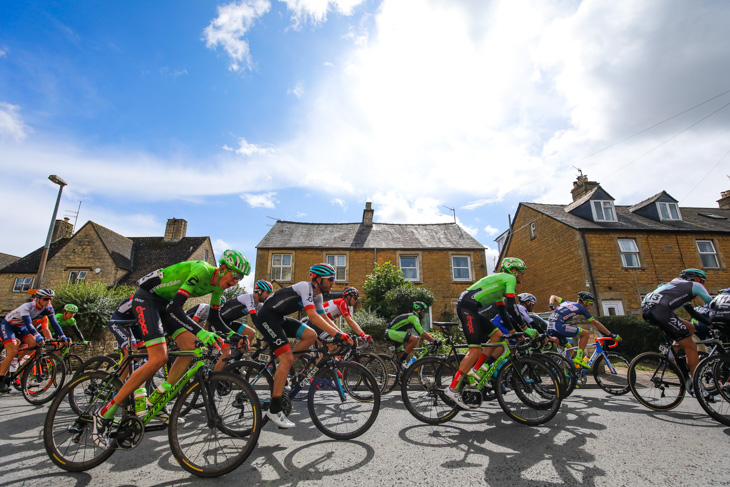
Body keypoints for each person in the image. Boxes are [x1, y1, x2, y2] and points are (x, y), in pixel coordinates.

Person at [93, 250, 249, 445]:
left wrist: (235, 336)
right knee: (159, 358)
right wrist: (201, 332)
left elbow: (215, 318)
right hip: (147, 299)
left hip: (166, 304)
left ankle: (156, 400)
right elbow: (177, 308)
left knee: (190, 347)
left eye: (240, 278)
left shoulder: (218, 287)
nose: (236, 281)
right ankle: (105, 412)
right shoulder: (201, 270)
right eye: (235, 275)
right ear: (222, 268)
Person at [254, 263, 354, 428]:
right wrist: (337, 335)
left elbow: (325, 318)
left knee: (311, 335)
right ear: (318, 279)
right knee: (286, 358)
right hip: (266, 317)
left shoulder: (318, 296)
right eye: (331, 279)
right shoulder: (304, 287)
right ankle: (274, 409)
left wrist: (342, 334)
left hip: (279, 318)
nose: (333, 283)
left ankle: (284, 367)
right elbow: (313, 317)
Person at [444, 257, 530, 409]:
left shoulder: (501, 286)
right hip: (467, 307)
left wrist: (514, 331)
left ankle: (476, 372)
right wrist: (525, 328)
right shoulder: (510, 278)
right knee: (475, 350)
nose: (523, 276)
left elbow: (504, 312)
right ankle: (452, 388)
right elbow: (512, 307)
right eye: (523, 272)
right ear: (515, 272)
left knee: (497, 336)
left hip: (471, 307)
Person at [641, 268, 713, 391]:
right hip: (661, 311)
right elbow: (711, 302)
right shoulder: (694, 285)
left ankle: (670, 355)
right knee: (691, 346)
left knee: (690, 328)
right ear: (696, 278)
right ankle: (697, 385)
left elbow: (692, 313)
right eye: (702, 281)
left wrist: (709, 324)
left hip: (648, 311)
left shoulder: (674, 286)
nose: (702, 284)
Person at [0, 289, 70, 393]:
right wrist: (37, 335)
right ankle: (1, 380)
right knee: (13, 351)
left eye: (50, 299)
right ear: (37, 299)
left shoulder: (48, 308)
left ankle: (16, 362)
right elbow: (29, 324)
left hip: (21, 327)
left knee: (33, 344)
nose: (48, 301)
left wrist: (63, 337)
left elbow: (55, 324)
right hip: (8, 326)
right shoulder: (27, 307)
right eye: (46, 299)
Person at [547, 291, 619, 367]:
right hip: (558, 327)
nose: (591, 305)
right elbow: (596, 323)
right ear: (586, 302)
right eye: (591, 303)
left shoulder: (567, 303)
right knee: (586, 333)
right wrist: (611, 334)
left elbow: (553, 296)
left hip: (550, 327)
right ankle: (579, 357)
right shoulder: (581, 308)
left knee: (570, 350)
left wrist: (551, 304)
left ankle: (565, 374)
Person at [305, 287, 373, 344]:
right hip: (314, 322)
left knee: (337, 343)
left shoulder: (345, 306)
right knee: (331, 346)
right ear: (349, 297)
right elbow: (350, 322)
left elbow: (352, 321)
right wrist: (363, 335)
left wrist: (363, 335)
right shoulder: (342, 303)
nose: (356, 301)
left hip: (322, 323)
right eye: (355, 298)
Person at [385, 301, 438, 368]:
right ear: (418, 310)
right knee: (414, 340)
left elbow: (420, 333)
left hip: (393, 333)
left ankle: (400, 375)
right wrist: (435, 341)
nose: (424, 313)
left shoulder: (412, 317)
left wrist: (429, 338)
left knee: (401, 363)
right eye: (423, 311)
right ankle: (402, 360)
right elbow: (422, 333)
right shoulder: (414, 317)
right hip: (391, 332)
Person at [107, 295, 144, 381]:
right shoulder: (143, 296)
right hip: (117, 322)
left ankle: (128, 368)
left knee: (145, 348)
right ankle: (118, 384)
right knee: (132, 350)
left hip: (133, 324)